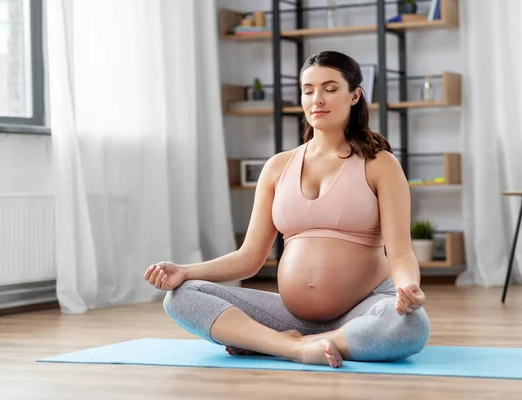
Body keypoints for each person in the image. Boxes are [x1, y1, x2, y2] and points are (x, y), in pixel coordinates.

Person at [143, 51, 430, 368]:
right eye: (308, 90)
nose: (317, 99)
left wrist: (407, 287)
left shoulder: (380, 164)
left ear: (354, 95)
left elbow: (401, 254)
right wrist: (185, 271)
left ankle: (274, 343)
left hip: (363, 309)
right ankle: (291, 346)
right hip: (287, 316)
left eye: (330, 88)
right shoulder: (278, 167)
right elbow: (249, 258)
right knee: (181, 296)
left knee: (412, 326)